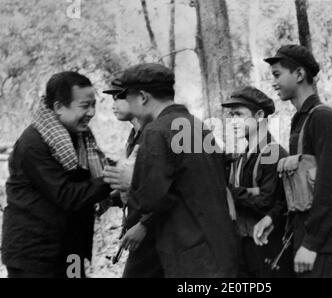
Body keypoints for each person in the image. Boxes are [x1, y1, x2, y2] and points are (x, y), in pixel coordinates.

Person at [103, 63, 238, 277]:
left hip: (189, 252)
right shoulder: (197, 126)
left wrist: (131, 181)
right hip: (219, 246)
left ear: (143, 97)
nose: (126, 102)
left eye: (127, 97)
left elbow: (149, 200)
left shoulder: (156, 131)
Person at [255, 45, 332, 278]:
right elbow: (298, 184)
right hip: (310, 237)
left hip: (327, 243)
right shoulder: (300, 120)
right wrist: (273, 218)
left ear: (299, 74)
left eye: (277, 74)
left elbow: (331, 187)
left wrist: (311, 243)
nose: (273, 82)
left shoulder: (322, 118)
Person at [1, 71, 112, 278]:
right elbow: (67, 195)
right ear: (59, 107)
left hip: (70, 250)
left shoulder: (79, 138)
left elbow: (86, 179)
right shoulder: (34, 144)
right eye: (84, 106)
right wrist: (111, 179)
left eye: (93, 105)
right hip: (35, 256)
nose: (91, 112)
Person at [222, 86, 293, 277]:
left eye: (238, 114)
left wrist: (229, 190)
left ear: (260, 115)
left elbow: (266, 202)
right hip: (244, 248)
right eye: (230, 115)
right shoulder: (241, 156)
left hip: (269, 248)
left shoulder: (273, 153)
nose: (232, 121)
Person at [103, 79, 163, 278]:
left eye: (120, 97)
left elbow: (168, 186)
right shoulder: (135, 134)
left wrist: (146, 224)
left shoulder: (153, 132)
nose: (114, 104)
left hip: (157, 229)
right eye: (112, 98)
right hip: (142, 227)